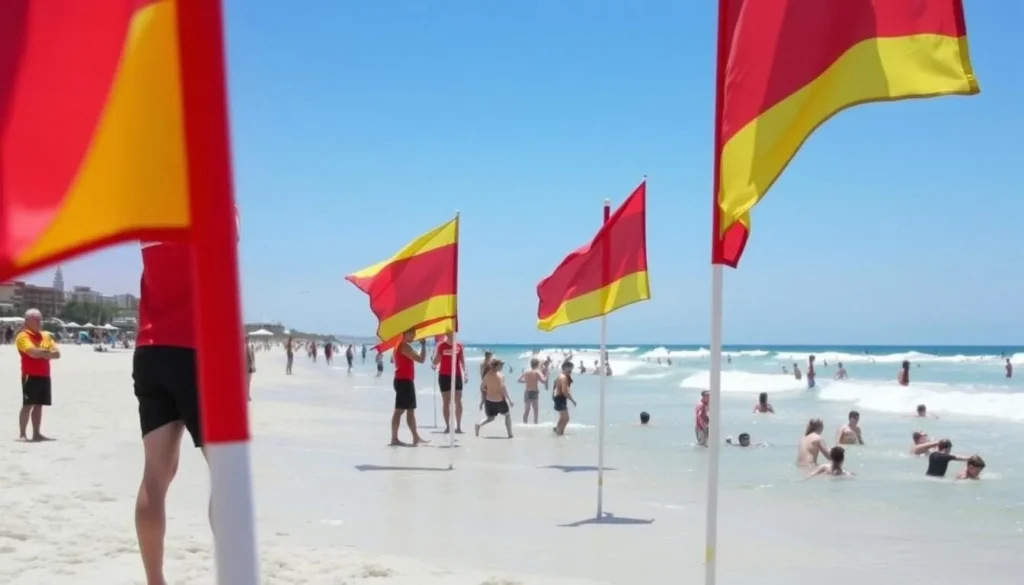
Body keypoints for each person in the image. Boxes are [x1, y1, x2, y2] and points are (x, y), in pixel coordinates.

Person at [132, 239, 209, 585]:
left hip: (150, 349)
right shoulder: (214, 200)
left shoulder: (145, 212)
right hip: (199, 347)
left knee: (156, 474)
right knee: (227, 474)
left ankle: (155, 581)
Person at [16, 308, 60, 441]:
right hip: (30, 374)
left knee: (39, 405)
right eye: (36, 320)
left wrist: (41, 352)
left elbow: (57, 354)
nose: (39, 322)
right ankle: (22, 434)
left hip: (44, 374)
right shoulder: (23, 336)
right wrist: (46, 352)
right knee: (28, 404)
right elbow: (32, 352)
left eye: (40, 320)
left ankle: (36, 433)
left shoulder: (46, 335)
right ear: (27, 321)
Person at [390, 331, 429, 446]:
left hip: (404, 380)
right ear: (405, 334)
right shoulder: (404, 346)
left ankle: (415, 437)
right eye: (412, 334)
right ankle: (394, 439)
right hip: (403, 381)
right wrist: (423, 345)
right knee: (399, 410)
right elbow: (421, 359)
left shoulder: (400, 345)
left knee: (410, 410)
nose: (414, 336)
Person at [434, 333, 468, 433]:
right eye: (449, 333)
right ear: (446, 334)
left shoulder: (459, 346)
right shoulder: (441, 346)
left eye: (453, 333)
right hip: (444, 375)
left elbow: (462, 360)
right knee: (446, 402)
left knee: (458, 401)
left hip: (456, 375)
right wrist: (434, 362)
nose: (452, 334)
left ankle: (458, 426)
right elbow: (437, 360)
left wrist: (465, 373)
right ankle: (448, 426)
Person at [475, 359, 514, 438]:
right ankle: (510, 434)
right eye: (501, 365)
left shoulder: (487, 375)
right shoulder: (500, 375)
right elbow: (503, 389)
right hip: (499, 400)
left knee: (491, 418)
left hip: (489, 400)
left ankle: (479, 425)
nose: (502, 367)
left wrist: (488, 391)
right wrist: (509, 400)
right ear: (496, 366)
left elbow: (482, 387)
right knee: (507, 414)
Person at [518, 357, 547, 425]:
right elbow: (543, 381)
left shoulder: (526, 371)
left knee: (527, 410)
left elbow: (519, 380)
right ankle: (535, 424)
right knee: (535, 410)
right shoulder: (537, 372)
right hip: (534, 392)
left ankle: (525, 424)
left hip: (527, 392)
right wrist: (546, 375)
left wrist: (526, 381)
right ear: (537, 364)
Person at [552, 360, 577, 436]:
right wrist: (572, 400)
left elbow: (554, 388)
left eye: (571, 369)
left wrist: (553, 398)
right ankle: (560, 434)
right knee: (566, 418)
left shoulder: (559, 376)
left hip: (558, 398)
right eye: (570, 368)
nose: (571, 371)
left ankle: (557, 429)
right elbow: (564, 391)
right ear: (565, 368)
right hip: (560, 398)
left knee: (563, 417)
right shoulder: (564, 377)